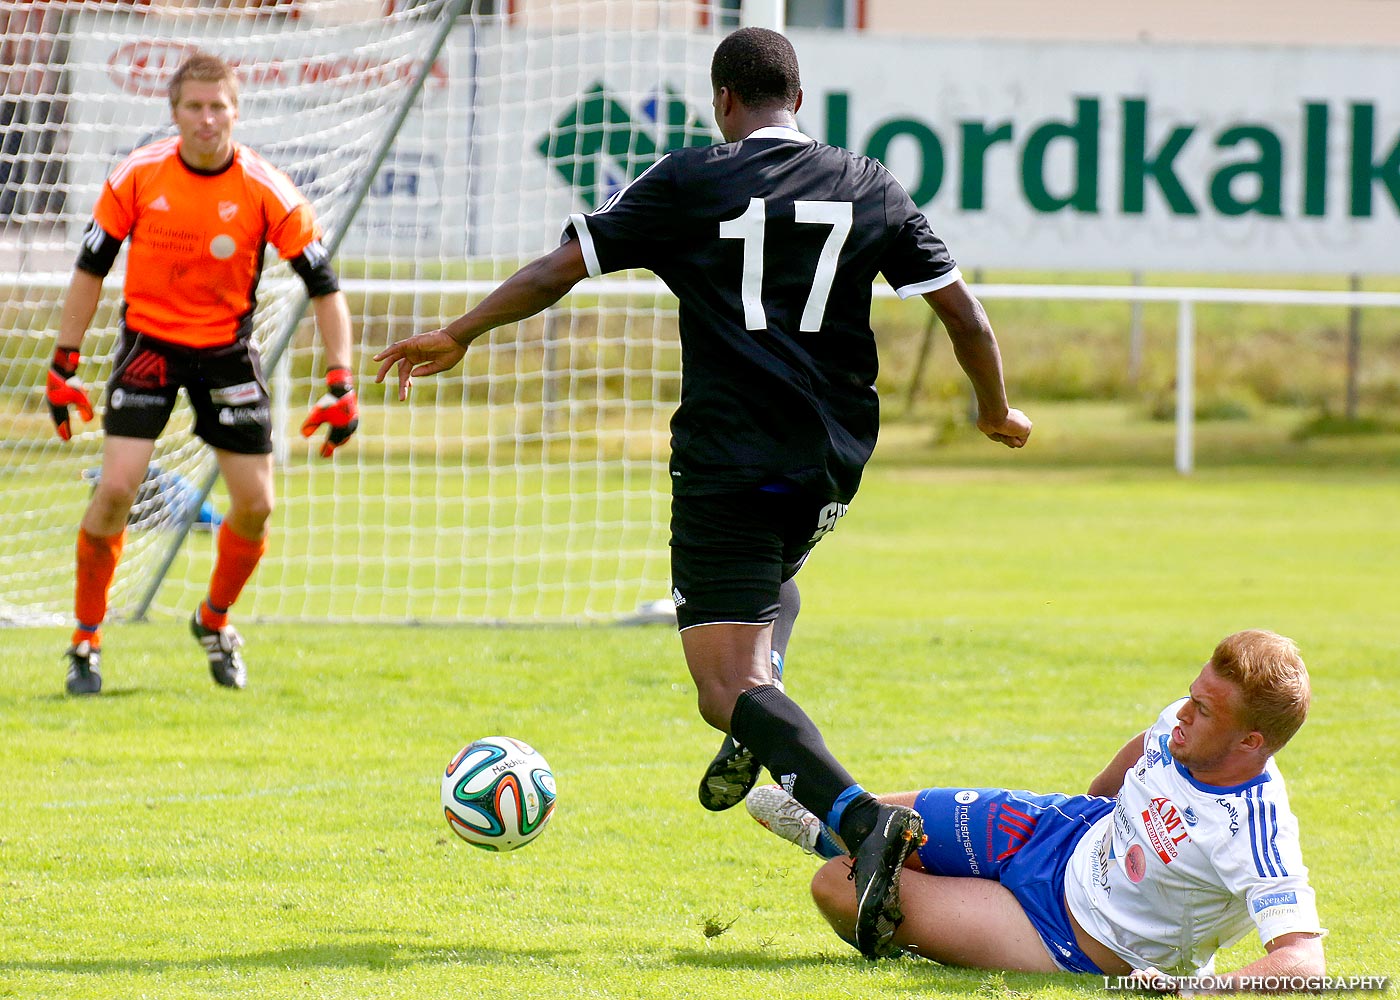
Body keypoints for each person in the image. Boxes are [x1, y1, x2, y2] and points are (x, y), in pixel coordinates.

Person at [373, 27, 1031, 958]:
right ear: (796, 98)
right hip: (835, 456)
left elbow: (559, 269)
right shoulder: (869, 182)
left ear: (725, 99)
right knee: (773, 591)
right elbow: (962, 313)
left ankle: (857, 817)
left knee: (726, 686)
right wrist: (997, 411)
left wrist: (462, 332)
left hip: (731, 460)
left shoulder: (692, 178)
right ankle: (764, 728)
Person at [745, 630, 1327, 985]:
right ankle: (835, 830)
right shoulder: (1185, 722)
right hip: (1057, 831)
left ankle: (836, 846)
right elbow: (1144, 744)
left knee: (836, 887)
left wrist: (1204, 990)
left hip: (1066, 936)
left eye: (1203, 711)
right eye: (1191, 695)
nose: (1182, 714)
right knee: (865, 814)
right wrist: (1095, 795)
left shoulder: (1254, 830)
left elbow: (1304, 962)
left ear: (1251, 742)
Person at [46, 51, 358, 695]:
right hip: (151, 346)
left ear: (236, 112)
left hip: (225, 354)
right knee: (115, 491)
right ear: (174, 113)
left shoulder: (267, 188)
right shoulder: (138, 176)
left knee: (256, 505)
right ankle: (85, 641)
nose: (208, 119)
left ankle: (213, 621)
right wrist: (63, 364)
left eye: (219, 107)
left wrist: (341, 381)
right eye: (195, 106)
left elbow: (325, 289)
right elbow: (89, 271)